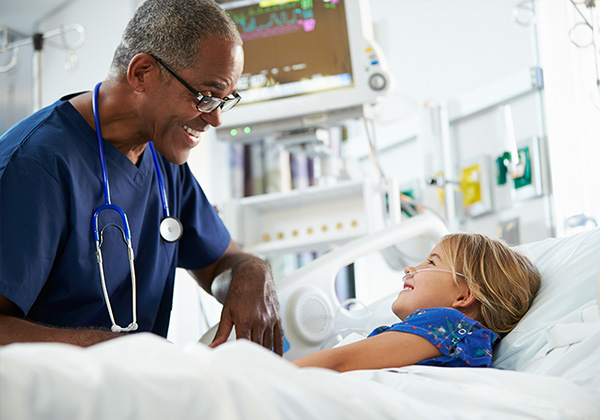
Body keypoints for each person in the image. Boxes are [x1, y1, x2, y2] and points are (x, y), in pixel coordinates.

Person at [0, 0, 283, 354]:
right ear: (142, 73)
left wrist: (251, 272)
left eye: (224, 101)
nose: (215, 120)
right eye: (206, 97)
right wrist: (111, 350)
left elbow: (223, 263)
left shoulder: (164, 160)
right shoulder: (36, 166)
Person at [293, 232, 541, 371]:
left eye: (431, 262)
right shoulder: (460, 340)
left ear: (464, 296)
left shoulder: (448, 324)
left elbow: (339, 361)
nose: (410, 268)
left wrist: (268, 375)